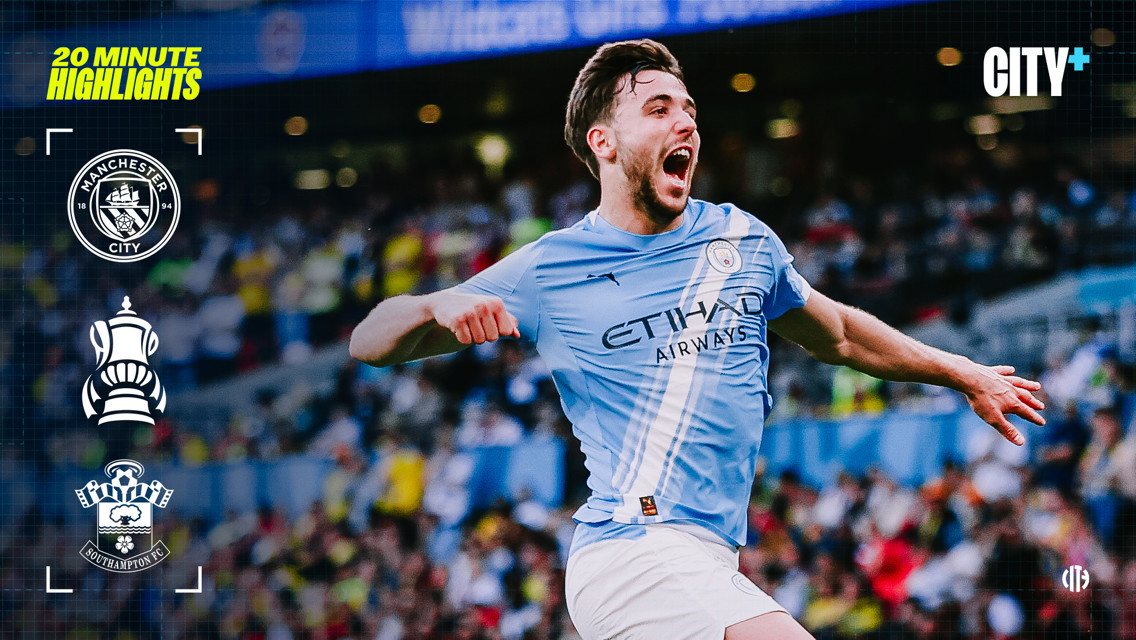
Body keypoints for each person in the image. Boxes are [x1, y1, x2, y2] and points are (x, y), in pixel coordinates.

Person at [349, 39, 1046, 640]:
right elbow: (368, 343)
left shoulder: (743, 239)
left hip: (709, 558)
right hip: (630, 553)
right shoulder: (548, 267)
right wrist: (436, 305)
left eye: (689, 111)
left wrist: (964, 372)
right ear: (605, 143)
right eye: (658, 109)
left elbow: (838, 335)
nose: (684, 122)